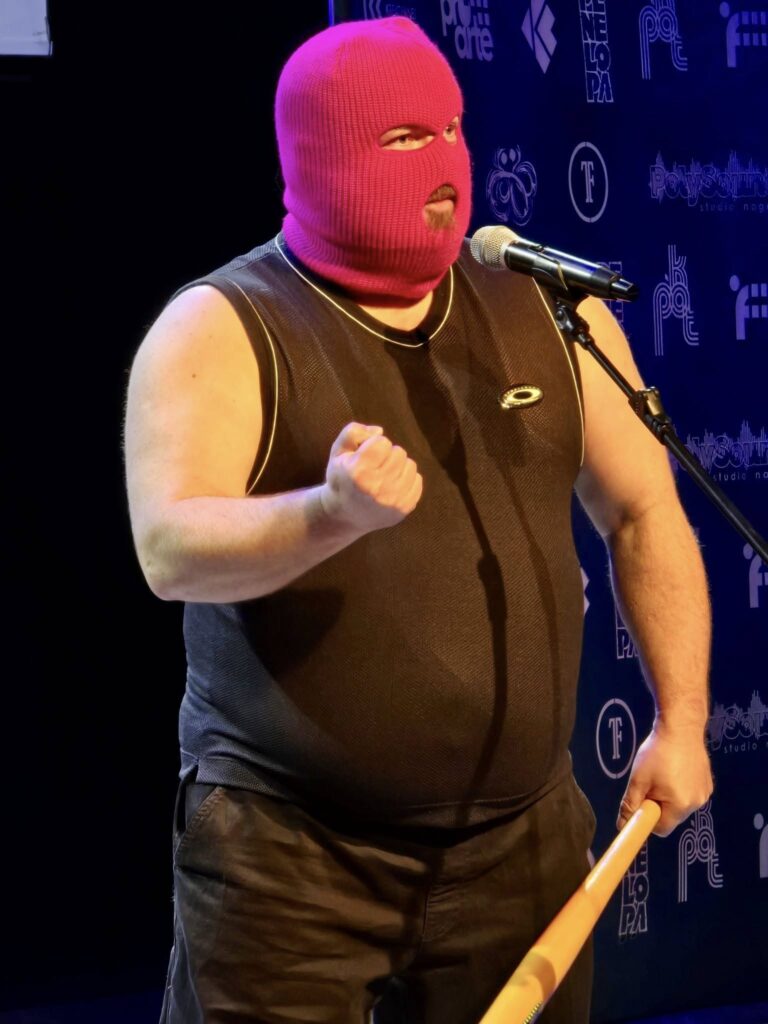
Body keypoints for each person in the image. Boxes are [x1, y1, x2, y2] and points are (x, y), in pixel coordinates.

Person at [123, 16, 713, 1024]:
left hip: (518, 845)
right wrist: (328, 514)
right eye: (404, 139)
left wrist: (683, 720)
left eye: (451, 129)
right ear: (322, 155)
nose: (443, 165)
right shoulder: (224, 324)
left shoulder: (546, 309)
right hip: (290, 858)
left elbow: (643, 508)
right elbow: (170, 552)